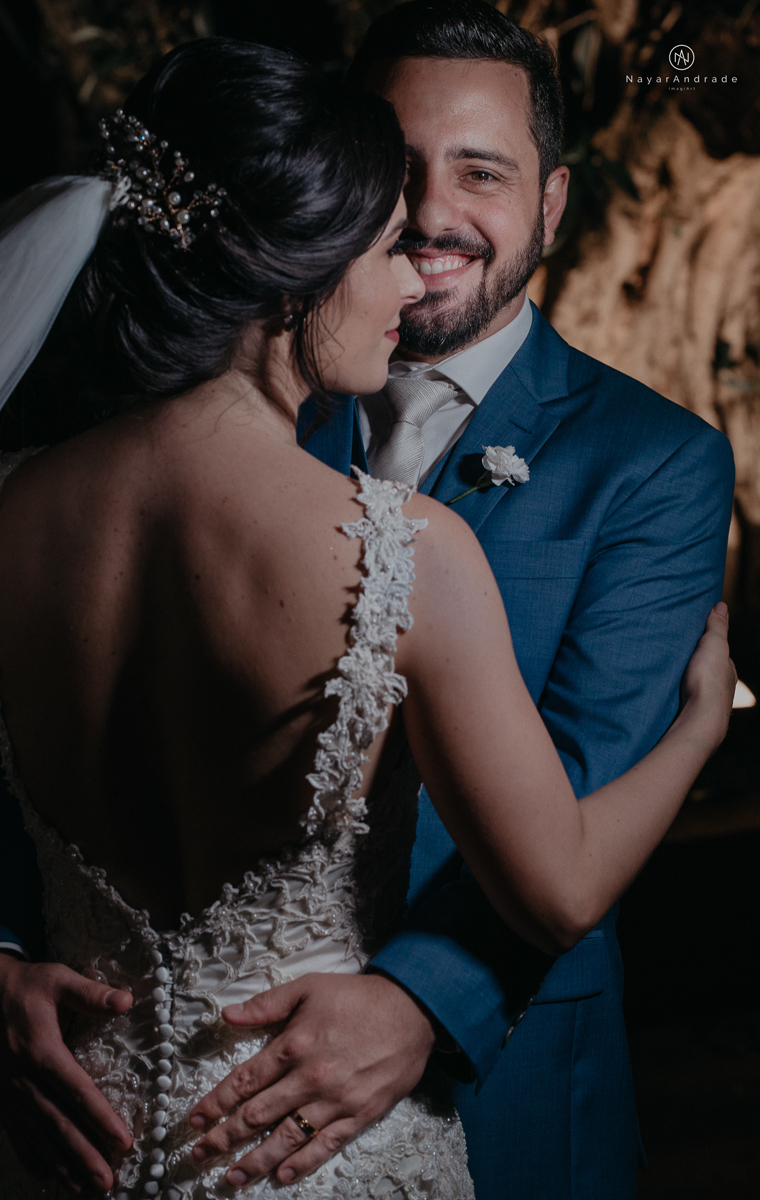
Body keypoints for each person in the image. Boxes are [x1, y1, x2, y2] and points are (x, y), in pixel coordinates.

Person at [0, 19, 734, 1200]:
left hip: (268, 1120)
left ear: (551, 202)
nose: (420, 243)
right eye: (388, 213)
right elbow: (558, 877)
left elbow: (582, 764)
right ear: (300, 242)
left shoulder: (652, 460)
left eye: (478, 172)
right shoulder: (407, 548)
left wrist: (416, 1000)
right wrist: (703, 728)